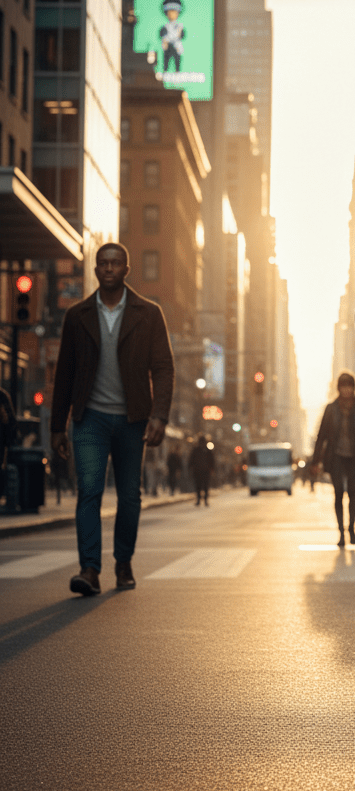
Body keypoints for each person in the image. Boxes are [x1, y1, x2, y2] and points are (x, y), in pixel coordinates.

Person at [50, 243, 173, 594]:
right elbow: (65, 373)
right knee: (88, 490)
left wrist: (160, 416)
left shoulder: (148, 314)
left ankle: (123, 563)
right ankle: (89, 569)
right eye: (102, 263)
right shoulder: (77, 315)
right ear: (95, 269)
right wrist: (57, 426)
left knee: (129, 495)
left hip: (133, 419)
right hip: (89, 418)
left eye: (115, 263)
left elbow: (163, 368)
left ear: (126, 269)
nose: (108, 269)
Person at [311, 372, 355, 547]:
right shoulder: (331, 409)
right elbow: (322, 436)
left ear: (353, 387)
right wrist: (315, 461)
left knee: (353, 494)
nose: (346, 390)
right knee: (337, 494)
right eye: (343, 387)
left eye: (349, 386)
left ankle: (351, 528)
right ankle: (341, 533)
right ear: (339, 388)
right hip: (335, 457)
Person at [189, 435, 215, 506]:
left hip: (200, 471)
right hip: (202, 471)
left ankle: (200, 500)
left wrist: (191, 467)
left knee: (200, 486)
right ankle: (203, 500)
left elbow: (191, 460)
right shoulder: (205, 450)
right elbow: (212, 460)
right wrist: (212, 469)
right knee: (203, 486)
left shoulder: (197, 449)